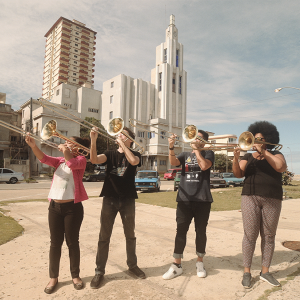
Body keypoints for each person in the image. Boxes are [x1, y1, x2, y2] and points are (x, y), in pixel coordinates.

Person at [25, 134, 90, 294]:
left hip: (72, 208)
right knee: (55, 244)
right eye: (66, 142)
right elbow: (44, 158)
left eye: (70, 143)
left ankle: (75, 276)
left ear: (78, 147)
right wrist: (34, 146)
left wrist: (65, 150)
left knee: (72, 243)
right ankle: (53, 277)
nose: (66, 144)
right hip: (54, 207)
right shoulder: (60, 161)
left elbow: (72, 163)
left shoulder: (81, 160)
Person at [89, 126, 146, 289]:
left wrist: (124, 146)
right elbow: (93, 159)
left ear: (130, 139)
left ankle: (132, 266)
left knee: (130, 235)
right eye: (119, 133)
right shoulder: (109, 154)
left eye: (123, 134)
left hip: (128, 200)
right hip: (109, 199)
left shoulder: (136, 154)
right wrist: (93, 139)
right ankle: (99, 271)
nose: (119, 135)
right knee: (104, 236)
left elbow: (133, 162)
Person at [232, 121, 287, 288]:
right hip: (250, 197)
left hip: (272, 198)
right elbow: (237, 174)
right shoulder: (247, 157)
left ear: (267, 140)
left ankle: (265, 272)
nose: (256, 141)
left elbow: (280, 167)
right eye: (254, 139)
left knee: (269, 236)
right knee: (249, 236)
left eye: (260, 139)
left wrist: (264, 152)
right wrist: (236, 158)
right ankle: (247, 272)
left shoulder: (277, 154)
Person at [162, 129, 214, 280]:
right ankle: (176, 265)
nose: (195, 140)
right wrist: (171, 147)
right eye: (194, 137)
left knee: (201, 232)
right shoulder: (185, 155)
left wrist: (197, 151)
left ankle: (199, 262)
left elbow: (204, 166)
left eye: (199, 138)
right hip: (184, 199)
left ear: (204, 142)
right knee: (180, 232)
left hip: (203, 200)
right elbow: (173, 162)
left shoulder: (209, 153)